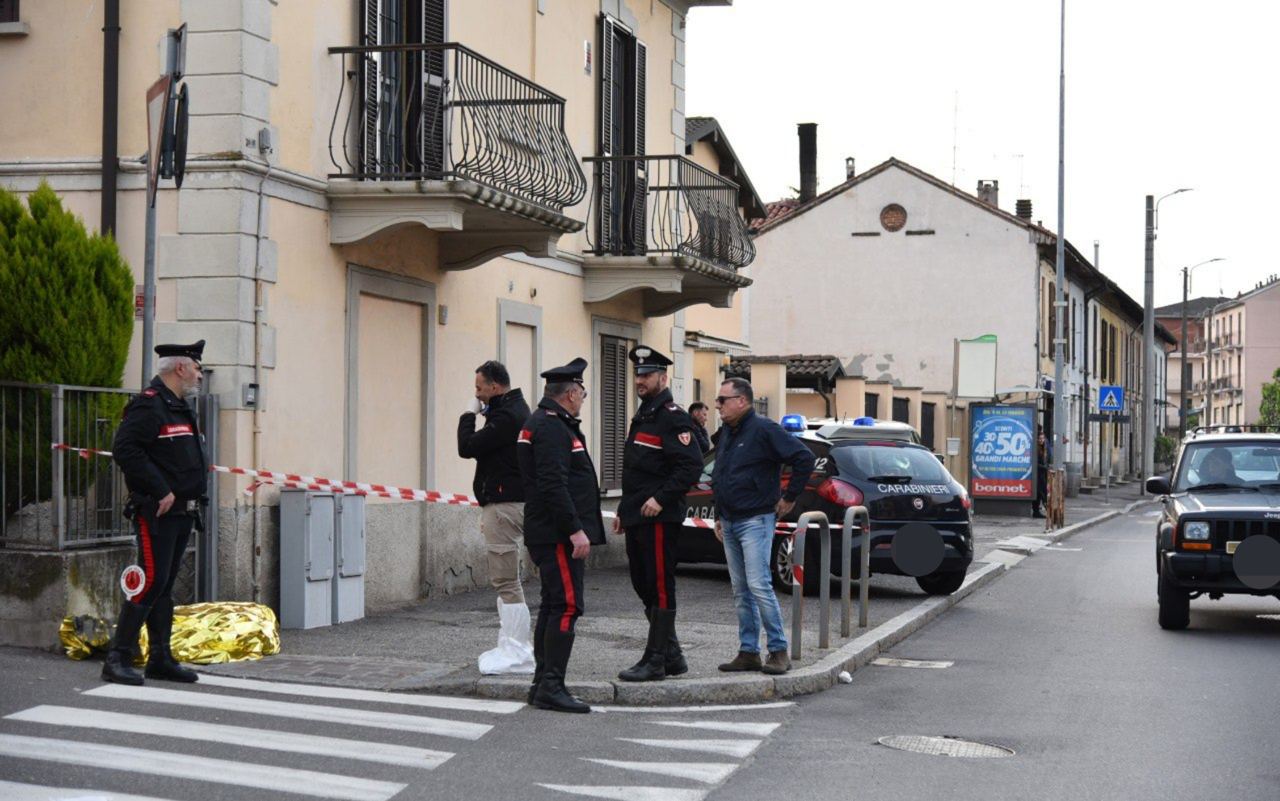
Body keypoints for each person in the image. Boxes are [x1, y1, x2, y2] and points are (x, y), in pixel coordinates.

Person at [103, 341, 209, 685]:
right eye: (197, 368)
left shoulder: (178, 405)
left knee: (164, 584)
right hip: (156, 511)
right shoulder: (150, 406)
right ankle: (117, 658)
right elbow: (125, 449)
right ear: (180, 368)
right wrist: (160, 488)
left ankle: (160, 657)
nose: (199, 374)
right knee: (150, 581)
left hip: (182, 513)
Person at [517, 358, 606, 712]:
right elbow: (553, 484)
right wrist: (575, 531)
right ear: (570, 393)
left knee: (554, 605)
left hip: (549, 530)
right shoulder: (552, 427)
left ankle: (543, 684)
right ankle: (551, 685)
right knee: (567, 605)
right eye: (581, 392)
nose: (582, 398)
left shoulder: (543, 422)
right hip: (556, 534)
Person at [711, 377, 815, 675]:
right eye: (718, 400)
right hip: (730, 520)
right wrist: (719, 514)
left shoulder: (764, 429)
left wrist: (790, 497)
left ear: (742, 401)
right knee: (740, 590)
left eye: (723, 399)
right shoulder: (728, 433)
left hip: (755, 519)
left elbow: (803, 458)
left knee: (758, 586)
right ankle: (748, 652)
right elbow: (721, 474)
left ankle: (778, 650)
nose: (718, 405)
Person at [613, 346, 704, 682]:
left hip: (660, 517)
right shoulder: (645, 414)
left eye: (647, 375)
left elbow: (691, 465)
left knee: (660, 585)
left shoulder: (672, 415)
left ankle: (655, 660)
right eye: (638, 374)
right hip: (638, 515)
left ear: (663, 378)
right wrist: (625, 509)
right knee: (642, 583)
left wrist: (661, 499)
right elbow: (636, 471)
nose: (640, 380)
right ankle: (673, 654)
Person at [457, 360, 533, 674]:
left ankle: (517, 650)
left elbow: (467, 447)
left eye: (479, 388)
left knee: (505, 580)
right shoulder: (510, 410)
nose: (477, 394)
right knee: (505, 580)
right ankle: (511, 644)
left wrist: (467, 414)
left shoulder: (507, 416)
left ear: (494, 386)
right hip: (502, 503)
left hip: (504, 505)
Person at [1032, 430, 1048, 519]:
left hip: (1042, 474)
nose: (1041, 440)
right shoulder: (1036, 449)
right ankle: (1036, 511)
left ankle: (1038, 510)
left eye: (1043, 438)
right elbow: (1035, 462)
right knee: (1038, 493)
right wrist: (1044, 467)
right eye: (1040, 438)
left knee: (1042, 493)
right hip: (1037, 474)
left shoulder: (1043, 448)